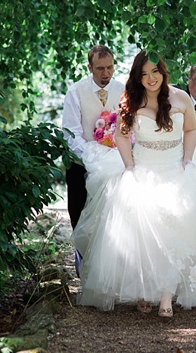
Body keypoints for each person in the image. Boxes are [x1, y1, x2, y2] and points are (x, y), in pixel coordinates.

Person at [72, 50, 196, 317]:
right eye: (144, 74)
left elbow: (191, 129)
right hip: (144, 169)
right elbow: (121, 136)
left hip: (175, 170)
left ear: (163, 72)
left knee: (175, 229)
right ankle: (144, 292)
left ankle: (166, 296)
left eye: (155, 72)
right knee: (142, 233)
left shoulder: (180, 97)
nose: (150, 78)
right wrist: (129, 167)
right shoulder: (130, 101)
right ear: (137, 77)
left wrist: (187, 160)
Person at [61, 45, 125, 275]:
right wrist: (91, 155)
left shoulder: (124, 90)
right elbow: (70, 132)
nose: (105, 73)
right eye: (100, 68)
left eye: (109, 67)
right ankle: (83, 257)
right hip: (81, 164)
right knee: (78, 212)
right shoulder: (75, 92)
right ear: (90, 68)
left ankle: (108, 268)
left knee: (111, 215)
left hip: (114, 165)